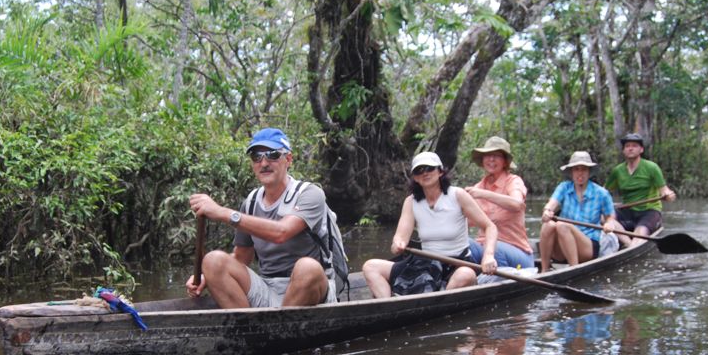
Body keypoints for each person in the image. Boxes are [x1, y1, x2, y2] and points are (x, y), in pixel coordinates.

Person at [186, 128, 337, 309]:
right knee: (212, 260)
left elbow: (282, 232)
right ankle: (249, 330)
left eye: (272, 155)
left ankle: (276, 331)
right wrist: (206, 276)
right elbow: (241, 258)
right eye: (257, 157)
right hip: (268, 288)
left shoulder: (310, 194)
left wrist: (223, 212)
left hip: (311, 290)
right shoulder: (250, 203)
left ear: (288, 159)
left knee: (307, 267)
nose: (264, 162)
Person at [362, 151, 498, 298]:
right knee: (370, 267)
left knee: (466, 274)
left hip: (456, 262)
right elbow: (400, 237)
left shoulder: (457, 195)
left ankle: (438, 302)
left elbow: (490, 226)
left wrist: (488, 256)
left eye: (429, 168)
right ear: (415, 177)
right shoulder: (411, 202)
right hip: (425, 263)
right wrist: (398, 244)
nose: (425, 173)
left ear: (440, 172)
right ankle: (389, 305)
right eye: (419, 170)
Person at [539, 151, 617, 272]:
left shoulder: (601, 193)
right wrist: (547, 211)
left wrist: (609, 224)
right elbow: (552, 204)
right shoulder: (564, 187)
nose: (580, 173)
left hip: (587, 245)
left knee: (562, 225)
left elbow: (610, 217)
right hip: (562, 246)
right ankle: (544, 270)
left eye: (584, 169)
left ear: (589, 172)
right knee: (548, 225)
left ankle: (574, 269)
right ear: (571, 172)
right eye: (576, 169)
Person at [465, 136, 535, 271]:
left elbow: (517, 204)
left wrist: (483, 194)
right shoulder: (478, 187)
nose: (491, 159)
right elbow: (468, 222)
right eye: (488, 155)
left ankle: (496, 284)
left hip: (518, 255)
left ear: (505, 162)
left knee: (494, 247)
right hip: (485, 249)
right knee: (462, 244)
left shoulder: (513, 181)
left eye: (496, 155)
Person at [604, 132, 677, 247]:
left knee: (640, 231)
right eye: (627, 146)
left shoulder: (651, 167)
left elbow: (664, 190)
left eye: (634, 146)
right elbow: (604, 193)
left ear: (641, 150)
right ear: (623, 150)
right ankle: (629, 244)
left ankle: (633, 243)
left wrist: (668, 195)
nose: (630, 149)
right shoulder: (617, 171)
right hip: (627, 210)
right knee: (603, 215)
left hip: (649, 211)